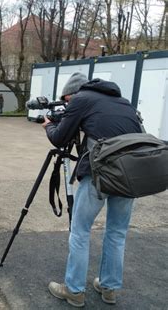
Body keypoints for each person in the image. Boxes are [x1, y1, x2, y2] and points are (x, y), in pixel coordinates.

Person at [43, 72, 142, 307]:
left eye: (66, 100)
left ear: (72, 93)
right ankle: (110, 288)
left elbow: (59, 138)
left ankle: (74, 290)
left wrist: (49, 125)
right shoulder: (123, 101)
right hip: (130, 173)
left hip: (101, 173)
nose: (66, 105)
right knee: (117, 232)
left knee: (80, 231)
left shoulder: (81, 99)